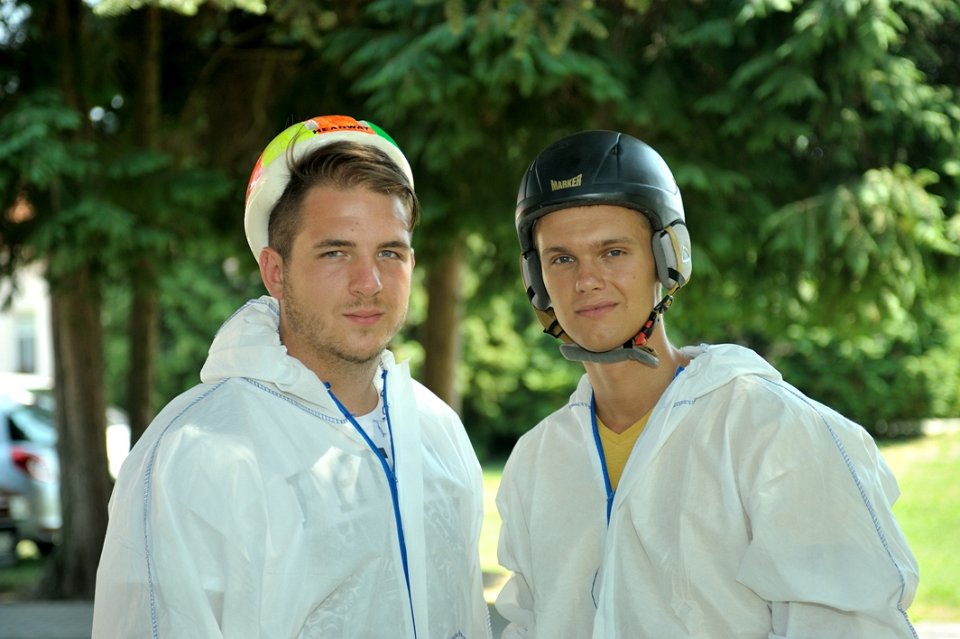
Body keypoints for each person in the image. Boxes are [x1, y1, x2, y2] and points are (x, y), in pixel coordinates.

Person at [494, 129, 919, 638]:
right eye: (561, 259)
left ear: (667, 258)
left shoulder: (772, 432)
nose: (586, 280)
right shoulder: (536, 460)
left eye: (613, 252)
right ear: (535, 279)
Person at [93, 115, 492, 639]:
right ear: (274, 271)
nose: (369, 282)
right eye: (335, 252)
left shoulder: (437, 428)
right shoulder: (193, 452)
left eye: (389, 252)